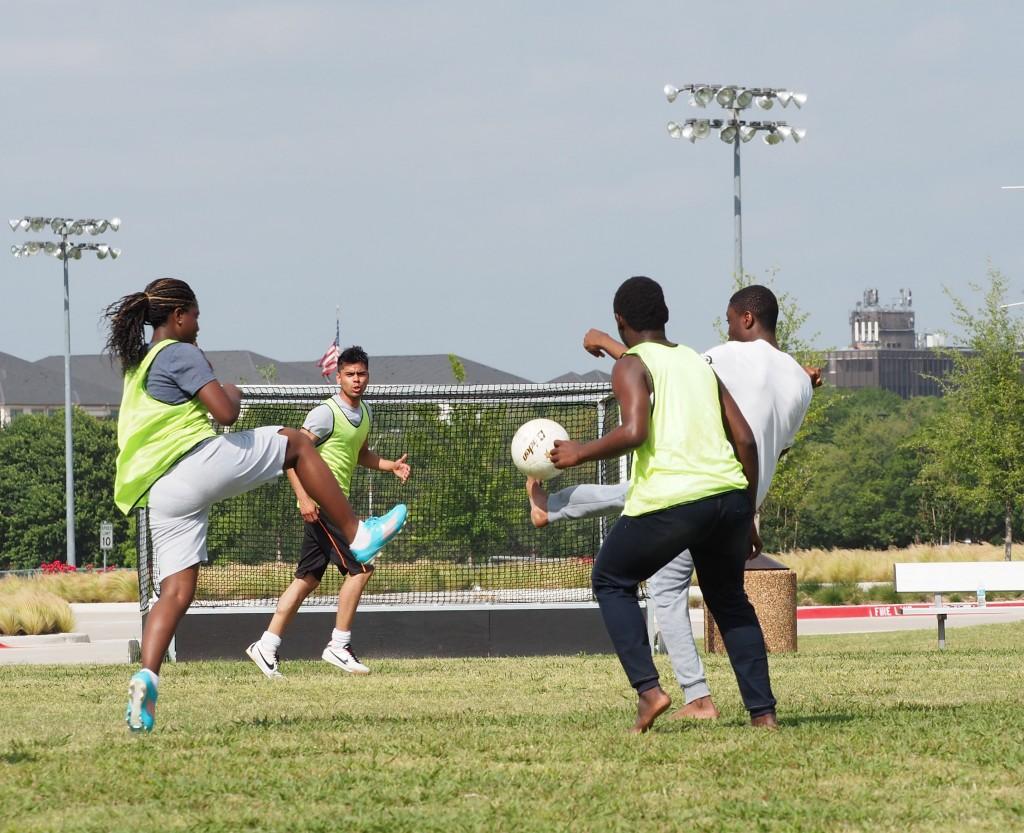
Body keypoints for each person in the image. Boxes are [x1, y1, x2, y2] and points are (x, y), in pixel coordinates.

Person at [105, 278, 407, 732]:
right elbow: (225, 413)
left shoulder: (139, 363)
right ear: (179, 316)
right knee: (297, 443)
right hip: (191, 464)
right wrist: (233, 390)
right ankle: (358, 532)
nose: (199, 325)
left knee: (176, 592)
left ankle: (146, 678)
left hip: (160, 491)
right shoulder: (180, 352)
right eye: (197, 316)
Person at [530, 284, 815, 722]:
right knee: (729, 600)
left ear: (621, 323)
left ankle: (650, 691)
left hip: (676, 499)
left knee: (610, 579)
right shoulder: (697, 364)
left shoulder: (633, 364)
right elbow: (745, 440)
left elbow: (636, 431)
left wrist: (579, 451)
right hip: (729, 496)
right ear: (665, 315)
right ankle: (763, 714)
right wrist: (746, 515)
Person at [247, 346, 410, 678]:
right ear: (338, 377)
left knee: (306, 579)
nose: (356, 380)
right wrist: (304, 498)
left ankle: (266, 645)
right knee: (362, 567)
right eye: (350, 374)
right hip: (322, 507)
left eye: (361, 374)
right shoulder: (324, 413)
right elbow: (291, 454)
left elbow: (361, 454)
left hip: (338, 506)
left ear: (368, 376)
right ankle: (339, 645)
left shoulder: (365, 414)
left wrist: (389, 465)